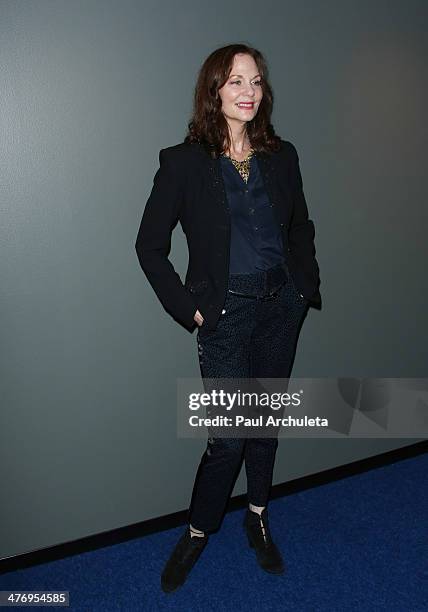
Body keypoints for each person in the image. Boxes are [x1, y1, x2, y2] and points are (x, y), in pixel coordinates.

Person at [135, 43, 321, 593]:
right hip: (225, 311)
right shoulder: (183, 162)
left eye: (257, 82)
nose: (248, 92)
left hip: (280, 306)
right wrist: (186, 306)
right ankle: (198, 530)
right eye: (236, 81)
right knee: (228, 437)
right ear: (214, 90)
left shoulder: (281, 155)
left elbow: (301, 227)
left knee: (265, 423)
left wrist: (304, 283)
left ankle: (258, 515)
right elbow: (149, 247)